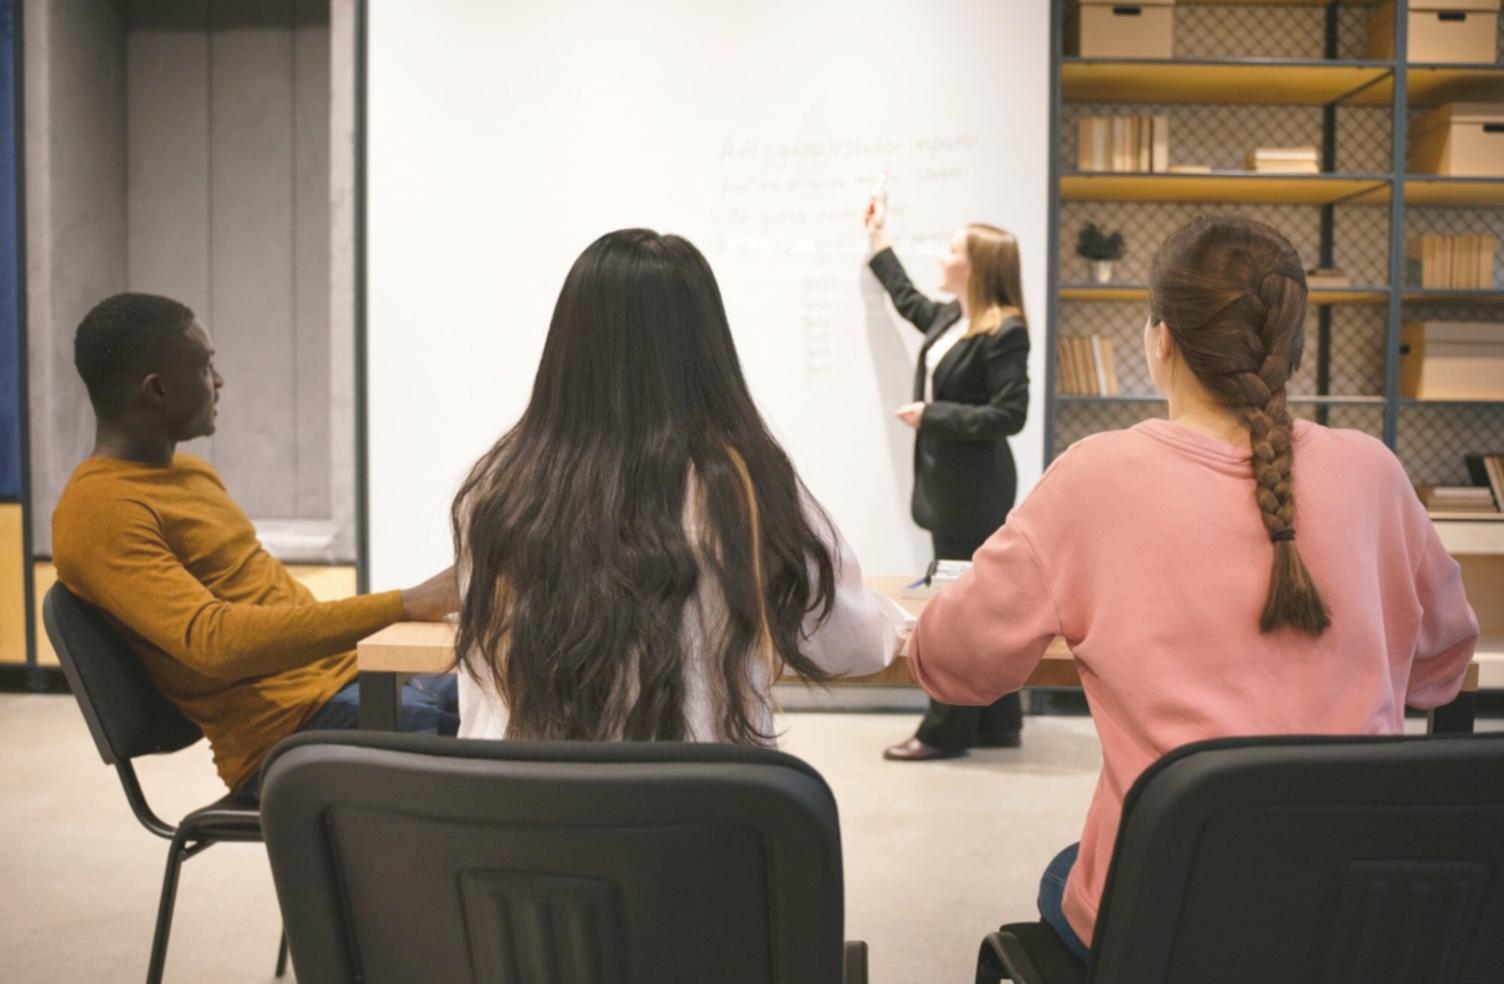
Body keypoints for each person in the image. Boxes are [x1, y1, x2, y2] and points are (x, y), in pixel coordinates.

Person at [907, 215, 1479, 959]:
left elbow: (954, 666)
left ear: (1161, 341)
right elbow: (1441, 670)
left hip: (1171, 918)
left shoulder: (1095, 475)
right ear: (1292, 346)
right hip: (1357, 918)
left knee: (1071, 875)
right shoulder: (1375, 471)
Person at [452, 229, 905, 743]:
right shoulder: (742, 485)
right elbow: (849, 640)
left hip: (516, 810)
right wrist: (896, 618)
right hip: (698, 814)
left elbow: (478, 694)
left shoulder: (498, 488)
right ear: (707, 351)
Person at [52, 293, 460, 802]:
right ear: (156, 390)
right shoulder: (99, 511)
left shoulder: (191, 474)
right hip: (290, 740)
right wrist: (402, 604)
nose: (219, 383)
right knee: (523, 761)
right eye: (205, 368)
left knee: (538, 701)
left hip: (352, 690)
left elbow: (269, 604)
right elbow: (215, 644)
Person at [863, 198, 1030, 761]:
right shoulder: (951, 319)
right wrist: (879, 241)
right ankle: (999, 722)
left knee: (958, 608)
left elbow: (1011, 414)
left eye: (954, 249)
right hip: (947, 488)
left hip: (976, 491)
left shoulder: (1004, 332)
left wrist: (933, 415)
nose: (944, 255)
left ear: (978, 267)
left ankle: (946, 730)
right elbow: (907, 298)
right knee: (979, 604)